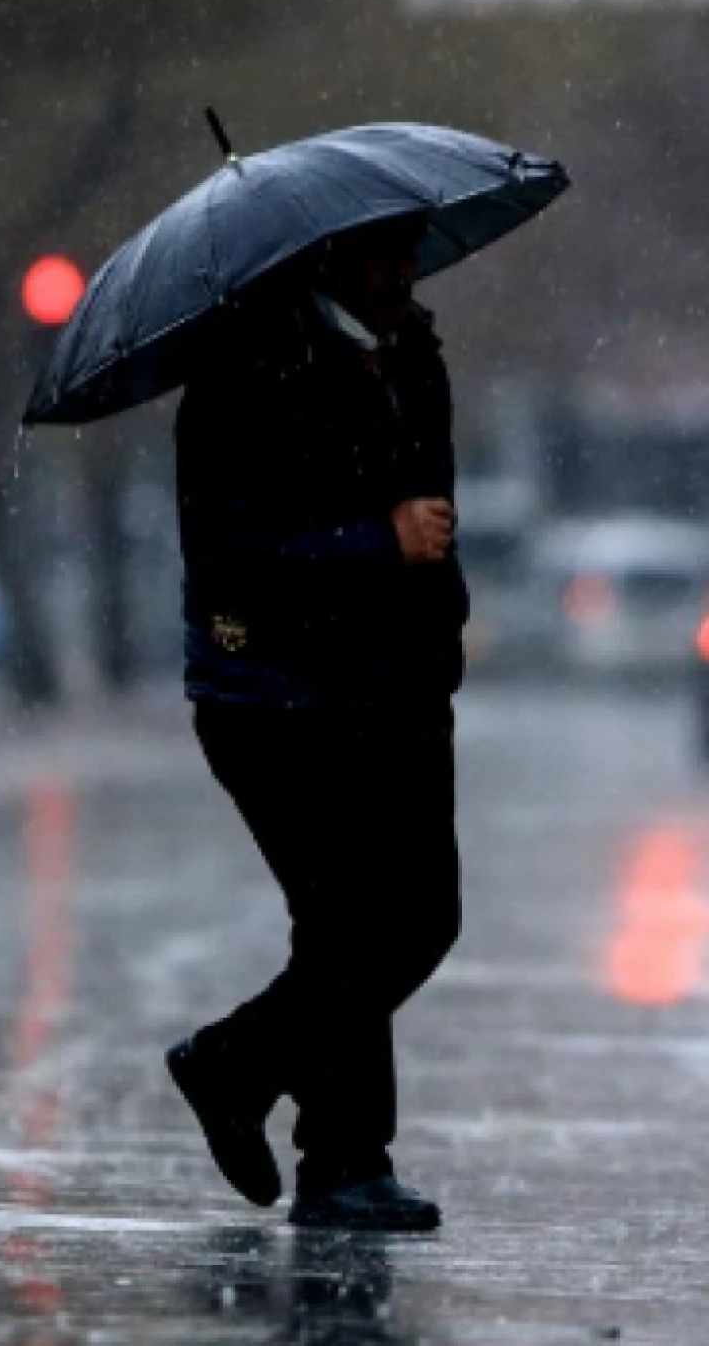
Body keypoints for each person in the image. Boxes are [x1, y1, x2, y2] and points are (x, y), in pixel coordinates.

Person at [165, 212, 467, 1233]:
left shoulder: (413, 355)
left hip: (397, 689)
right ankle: (336, 1155)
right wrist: (372, 544)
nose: (407, 269)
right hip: (276, 700)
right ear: (328, 256)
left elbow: (437, 512)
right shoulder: (246, 373)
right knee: (352, 926)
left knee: (419, 918)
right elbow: (232, 559)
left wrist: (437, 632)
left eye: (411, 248)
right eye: (387, 251)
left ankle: (250, 1080)